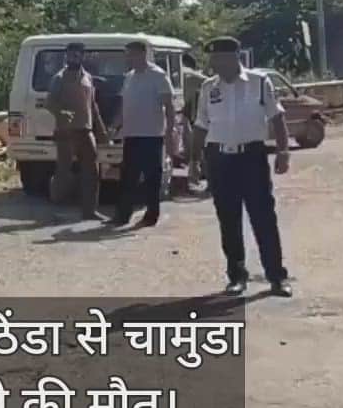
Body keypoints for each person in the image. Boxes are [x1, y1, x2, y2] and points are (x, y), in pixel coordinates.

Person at [192, 36, 293, 298]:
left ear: (234, 57)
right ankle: (236, 276)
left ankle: (276, 276)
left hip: (252, 157)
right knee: (229, 219)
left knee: (263, 218)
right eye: (212, 60)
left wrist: (283, 151)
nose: (215, 65)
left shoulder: (259, 83)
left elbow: (277, 117)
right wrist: (193, 160)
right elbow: (201, 125)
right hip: (220, 160)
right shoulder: (207, 88)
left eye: (219, 59)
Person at [107, 40, 177, 228]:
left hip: (152, 134)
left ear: (142, 54)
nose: (128, 58)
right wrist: (115, 126)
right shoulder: (129, 77)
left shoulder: (158, 75)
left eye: (131, 54)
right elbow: (124, 105)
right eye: (127, 54)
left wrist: (170, 131)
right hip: (131, 134)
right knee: (128, 175)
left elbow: (169, 106)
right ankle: (123, 215)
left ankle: (151, 214)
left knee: (152, 177)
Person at [45, 42, 108, 221]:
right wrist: (62, 112)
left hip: (85, 130)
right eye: (71, 55)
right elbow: (50, 103)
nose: (74, 57)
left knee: (92, 171)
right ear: (66, 56)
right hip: (66, 131)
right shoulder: (59, 78)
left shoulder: (87, 77)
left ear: (82, 56)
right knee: (64, 172)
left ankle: (89, 210)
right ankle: (55, 206)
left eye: (77, 55)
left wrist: (101, 129)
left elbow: (93, 105)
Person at [181, 54, 208, 186]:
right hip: (195, 113)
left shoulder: (176, 73)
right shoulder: (195, 77)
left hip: (188, 112)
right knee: (202, 145)